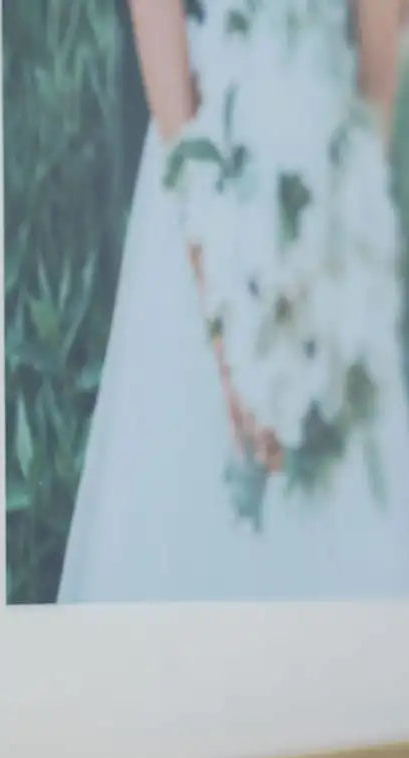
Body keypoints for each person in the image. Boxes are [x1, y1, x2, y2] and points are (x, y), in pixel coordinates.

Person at [56, 0, 409, 603]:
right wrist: (227, 328)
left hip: (338, 182)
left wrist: (348, 241)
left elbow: (382, 49)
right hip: (203, 169)